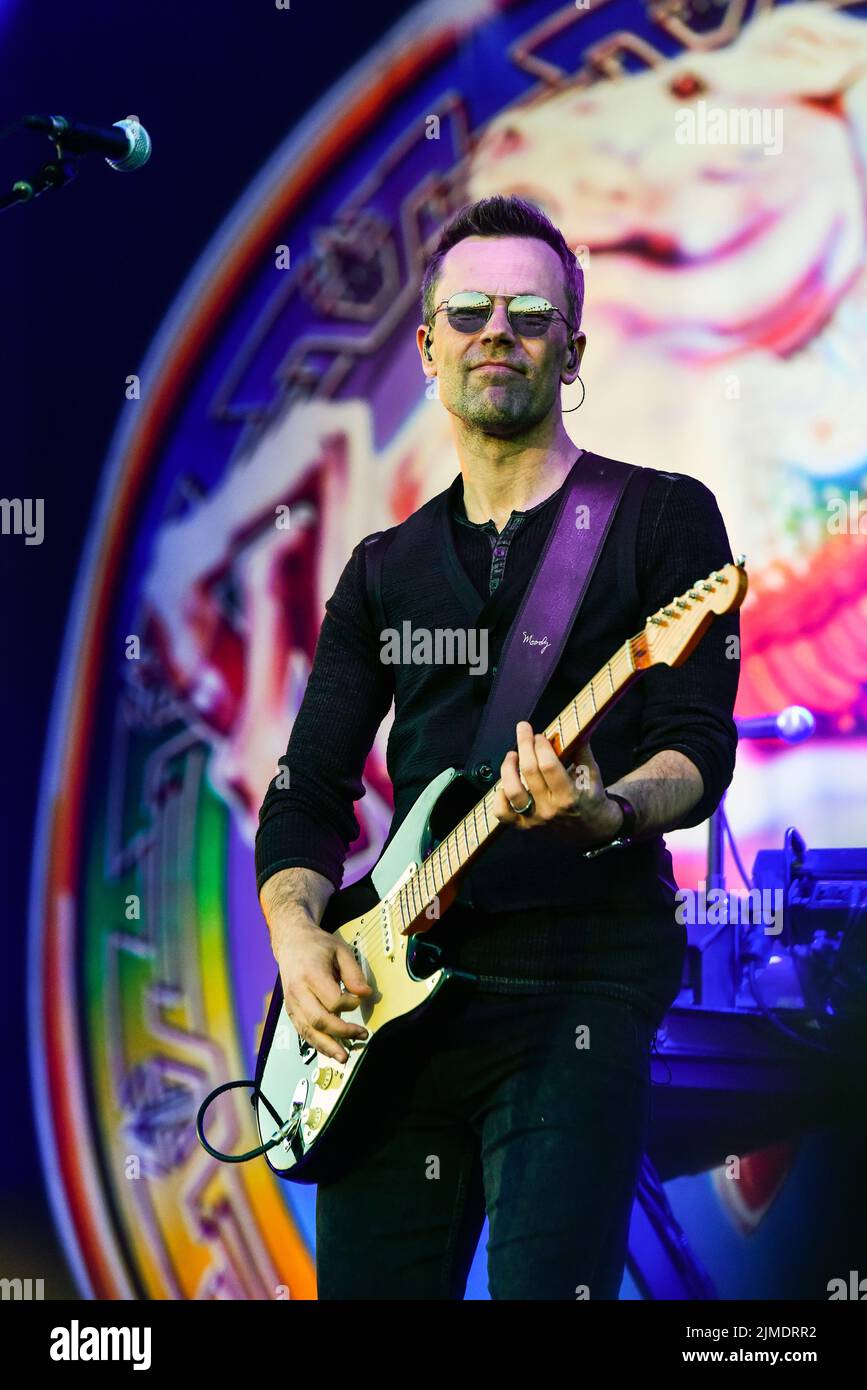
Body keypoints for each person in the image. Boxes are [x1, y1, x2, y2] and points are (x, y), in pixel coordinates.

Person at [254, 194, 740, 1299]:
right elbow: (307, 792)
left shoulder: (663, 521)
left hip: (574, 986)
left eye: (529, 310)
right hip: (391, 1018)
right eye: (467, 311)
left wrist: (604, 810)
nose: (496, 331)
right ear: (428, 347)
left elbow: (698, 751)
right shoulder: (384, 569)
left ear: (572, 344)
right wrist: (294, 930)